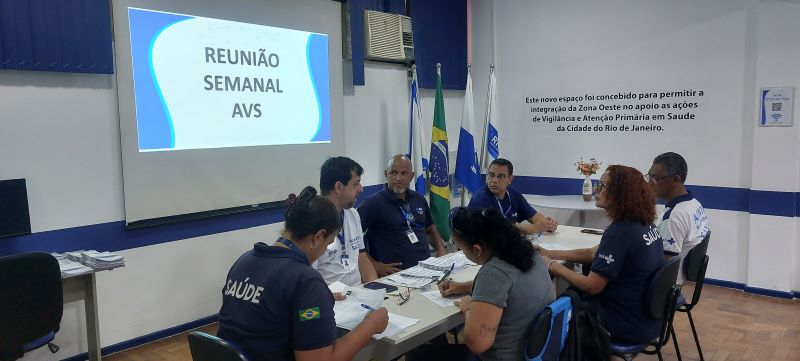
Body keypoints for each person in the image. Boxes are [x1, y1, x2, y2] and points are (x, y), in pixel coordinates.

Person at [217, 186, 389, 361]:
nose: (324, 251)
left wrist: (317, 299)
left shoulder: (244, 261)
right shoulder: (305, 281)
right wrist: (370, 326)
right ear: (318, 236)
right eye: (329, 242)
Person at [538, 165, 664, 345]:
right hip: (648, 319)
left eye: (602, 186)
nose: (597, 190)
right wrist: (550, 253)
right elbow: (592, 252)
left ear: (620, 193)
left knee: (562, 303)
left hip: (625, 324)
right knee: (574, 291)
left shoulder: (620, 232)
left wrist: (551, 265)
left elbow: (592, 286)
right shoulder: (643, 223)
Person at [410, 207, 555, 361]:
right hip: (538, 353)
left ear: (477, 249)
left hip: (505, 356)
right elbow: (509, 287)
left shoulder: (493, 272)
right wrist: (462, 286)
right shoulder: (527, 253)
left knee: (421, 355)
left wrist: (468, 308)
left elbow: (477, 344)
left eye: (460, 246)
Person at [359, 154, 448, 276]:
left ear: (411, 176)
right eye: (393, 173)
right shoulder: (372, 204)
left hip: (426, 269)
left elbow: (430, 227)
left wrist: (441, 248)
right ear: (386, 174)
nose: (398, 178)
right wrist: (375, 266)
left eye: (404, 173)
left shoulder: (419, 199)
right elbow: (353, 241)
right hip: (395, 275)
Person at [313, 156, 378, 286]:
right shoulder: (313, 222)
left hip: (358, 295)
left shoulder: (352, 213)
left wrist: (378, 289)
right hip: (332, 300)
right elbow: (309, 278)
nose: (361, 189)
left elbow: (361, 257)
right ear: (338, 187)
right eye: (356, 184)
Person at [648, 152, 710, 284]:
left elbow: (663, 261)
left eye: (655, 178)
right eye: (649, 176)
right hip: (677, 282)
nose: (649, 183)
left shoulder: (673, 217)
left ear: (675, 180)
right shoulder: (694, 204)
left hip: (663, 287)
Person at [468, 158, 557, 234]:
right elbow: (501, 230)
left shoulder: (512, 192)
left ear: (510, 179)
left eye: (500, 177)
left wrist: (546, 224)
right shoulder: (480, 198)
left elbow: (534, 216)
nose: (494, 180)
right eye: (491, 175)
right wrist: (535, 228)